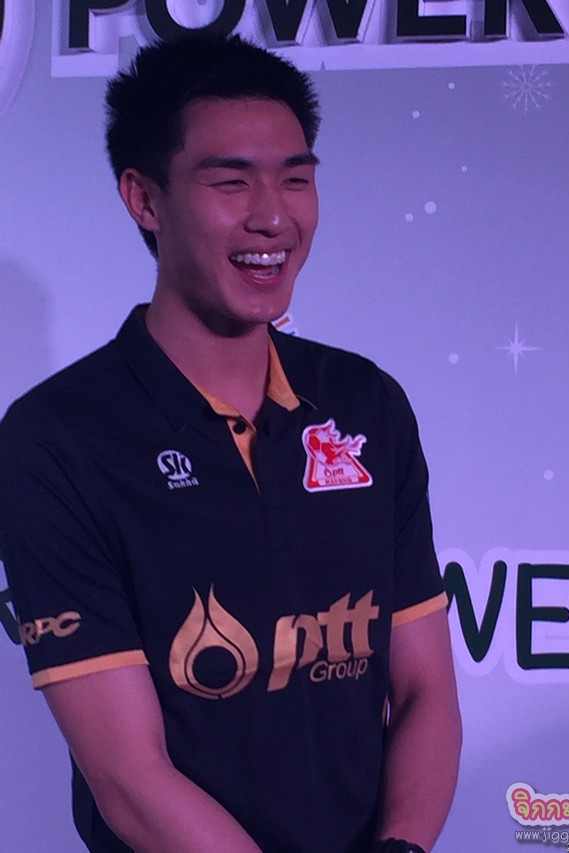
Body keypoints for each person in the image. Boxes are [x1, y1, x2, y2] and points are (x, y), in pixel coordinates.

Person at [0, 32, 461, 853]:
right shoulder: (55, 441)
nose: (273, 216)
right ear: (144, 199)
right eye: (231, 181)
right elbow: (128, 777)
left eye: (296, 178)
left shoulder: (366, 404)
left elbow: (427, 689)